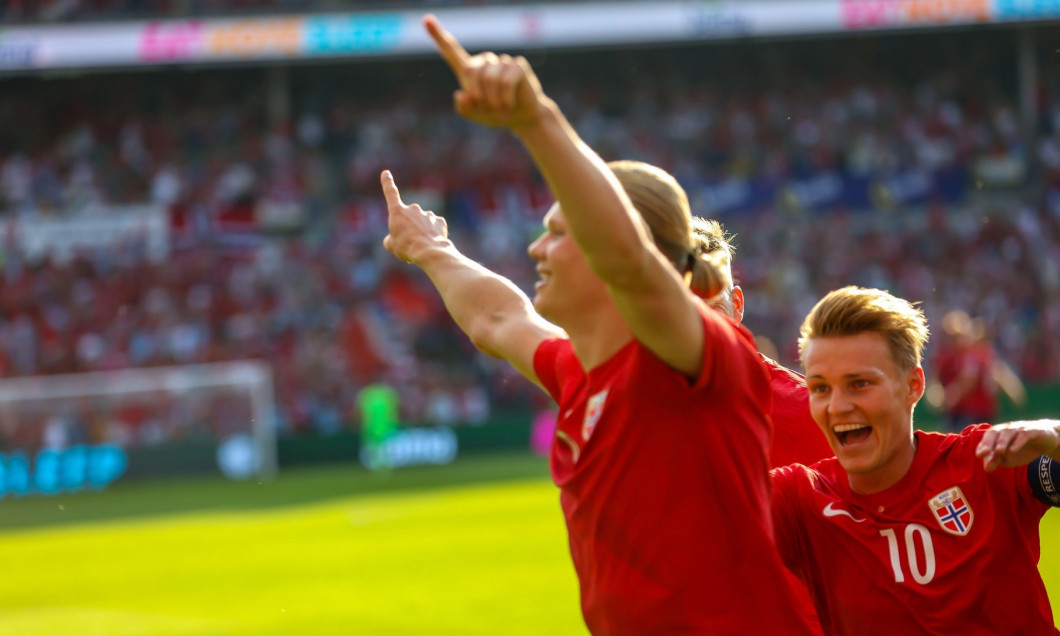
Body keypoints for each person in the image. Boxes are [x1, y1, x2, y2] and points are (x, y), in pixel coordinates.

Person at [380, 15, 816, 635]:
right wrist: (430, 250)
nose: (537, 250)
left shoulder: (697, 359)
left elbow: (631, 263)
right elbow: (498, 317)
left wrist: (535, 121)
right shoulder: (587, 373)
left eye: (559, 233)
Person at [772, 286, 1060, 635]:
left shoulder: (984, 463)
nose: (837, 406)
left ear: (913, 385)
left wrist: (1052, 435)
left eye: (859, 384)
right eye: (820, 388)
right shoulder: (801, 500)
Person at [689, 217, 832, 468]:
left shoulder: (808, 414)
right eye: (685, 311)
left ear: (737, 306)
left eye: (715, 308)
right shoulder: (623, 408)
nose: (703, 327)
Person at [930, 308, 1027, 432]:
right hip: (959, 413)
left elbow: (973, 379)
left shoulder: (976, 353)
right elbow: (937, 381)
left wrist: (950, 397)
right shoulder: (946, 356)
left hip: (977, 412)